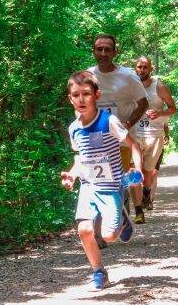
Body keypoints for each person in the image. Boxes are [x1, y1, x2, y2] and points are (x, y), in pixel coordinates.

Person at [60, 71, 143, 291]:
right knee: (84, 229)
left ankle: (123, 219)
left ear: (97, 95)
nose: (81, 99)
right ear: (70, 99)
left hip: (112, 186)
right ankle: (99, 272)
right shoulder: (74, 128)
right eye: (75, 95)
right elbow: (82, 158)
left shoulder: (109, 121)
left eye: (86, 94)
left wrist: (137, 169)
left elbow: (134, 145)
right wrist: (72, 175)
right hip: (89, 186)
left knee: (109, 236)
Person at [88, 34, 149, 229]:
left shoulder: (128, 76)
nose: (103, 53)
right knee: (99, 180)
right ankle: (106, 222)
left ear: (115, 52)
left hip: (121, 138)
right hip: (96, 137)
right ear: (94, 52)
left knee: (117, 177)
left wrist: (128, 123)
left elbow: (143, 103)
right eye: (99, 49)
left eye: (108, 49)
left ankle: (120, 213)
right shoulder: (88, 76)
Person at [133, 56, 176, 221]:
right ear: (135, 68)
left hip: (154, 134)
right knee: (134, 170)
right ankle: (138, 210)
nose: (142, 70)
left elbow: (173, 109)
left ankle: (146, 192)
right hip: (134, 134)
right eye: (139, 67)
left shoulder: (160, 87)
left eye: (145, 67)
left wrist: (160, 113)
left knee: (147, 170)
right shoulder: (130, 85)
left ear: (150, 69)